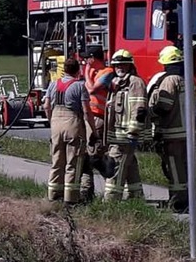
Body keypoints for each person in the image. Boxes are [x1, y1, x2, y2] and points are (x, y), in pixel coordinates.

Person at [43, 58, 91, 205]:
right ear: (78, 70)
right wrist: (92, 131)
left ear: (64, 69)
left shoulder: (53, 84)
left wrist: (52, 120)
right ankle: (70, 199)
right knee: (72, 163)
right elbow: (86, 111)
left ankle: (53, 195)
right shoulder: (79, 86)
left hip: (56, 123)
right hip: (72, 123)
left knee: (57, 161)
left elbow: (46, 106)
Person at [147, 46, 188, 212]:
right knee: (183, 166)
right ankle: (181, 198)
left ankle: (178, 202)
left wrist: (149, 112)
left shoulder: (169, 80)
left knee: (174, 167)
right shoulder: (187, 79)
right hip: (186, 132)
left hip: (172, 132)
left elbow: (164, 106)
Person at [102, 50, 147, 201]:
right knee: (129, 164)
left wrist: (133, 131)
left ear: (130, 65)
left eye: (123, 64)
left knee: (116, 164)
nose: (119, 67)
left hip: (126, 135)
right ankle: (136, 197)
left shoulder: (135, 82)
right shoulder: (116, 83)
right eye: (116, 65)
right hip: (116, 134)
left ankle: (111, 201)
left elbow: (139, 108)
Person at [81, 45, 111, 201]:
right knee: (87, 155)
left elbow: (91, 90)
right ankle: (87, 192)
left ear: (94, 58)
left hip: (99, 118)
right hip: (90, 117)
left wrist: (86, 73)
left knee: (95, 156)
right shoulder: (95, 72)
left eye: (88, 58)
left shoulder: (108, 73)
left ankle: (112, 186)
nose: (86, 61)